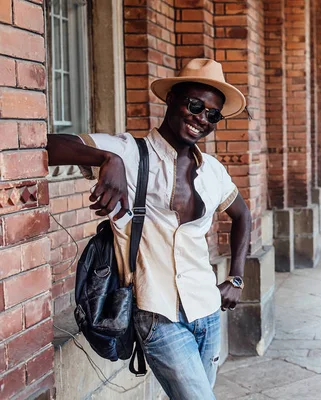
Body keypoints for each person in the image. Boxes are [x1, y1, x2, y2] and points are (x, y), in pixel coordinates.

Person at [46, 59, 252, 399]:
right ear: (171, 99)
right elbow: (50, 144)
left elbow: (243, 214)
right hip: (156, 313)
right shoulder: (129, 151)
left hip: (207, 309)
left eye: (213, 114)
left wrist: (237, 277)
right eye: (195, 105)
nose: (202, 118)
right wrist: (105, 159)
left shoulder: (213, 170)